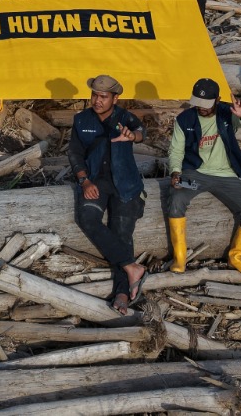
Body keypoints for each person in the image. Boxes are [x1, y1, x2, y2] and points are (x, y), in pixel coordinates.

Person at [166, 78, 241, 276]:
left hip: (226, 174)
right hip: (194, 172)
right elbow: (175, 150)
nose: (201, 108)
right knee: (176, 200)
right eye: (197, 103)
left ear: (218, 99)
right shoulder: (184, 119)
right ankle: (179, 257)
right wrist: (175, 171)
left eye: (206, 104)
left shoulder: (228, 113)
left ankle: (236, 256)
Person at [68, 74, 148, 314]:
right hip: (95, 181)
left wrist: (132, 136)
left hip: (125, 183)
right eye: (94, 95)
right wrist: (84, 181)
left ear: (115, 97)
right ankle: (132, 267)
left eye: (103, 96)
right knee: (87, 219)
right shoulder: (81, 120)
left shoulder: (125, 118)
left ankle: (122, 293)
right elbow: (75, 154)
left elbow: (141, 131)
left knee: (122, 234)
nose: (97, 100)